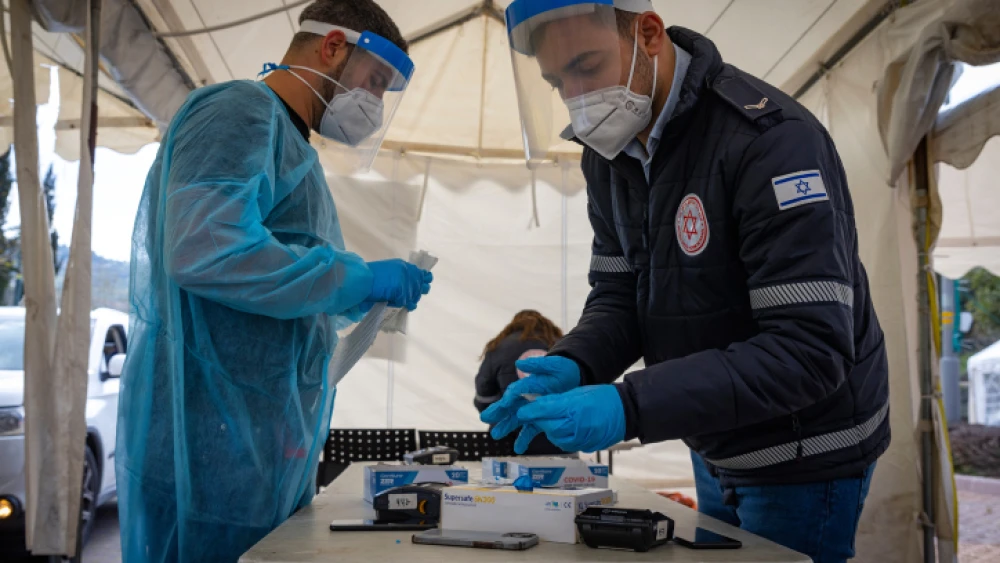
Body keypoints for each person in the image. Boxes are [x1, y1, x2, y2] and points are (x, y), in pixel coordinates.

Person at [484, 1, 889, 561]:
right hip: (716, 436)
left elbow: (809, 349)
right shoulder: (610, 153)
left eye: (587, 66)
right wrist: (576, 363)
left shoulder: (770, 140)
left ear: (648, 33)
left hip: (803, 453)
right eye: (557, 82)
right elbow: (621, 295)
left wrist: (629, 406)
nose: (577, 99)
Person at [116, 1, 432, 561]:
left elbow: (280, 288)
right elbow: (204, 250)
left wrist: (364, 298)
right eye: (375, 82)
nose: (374, 106)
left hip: (250, 441)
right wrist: (357, 278)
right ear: (333, 46)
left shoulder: (294, 151)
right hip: (207, 443)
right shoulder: (240, 111)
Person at [475, 310, 568, 455]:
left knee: (506, 477)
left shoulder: (499, 346)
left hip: (507, 438)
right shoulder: (563, 344)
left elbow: (484, 396)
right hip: (557, 436)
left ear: (514, 325)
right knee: (561, 476)